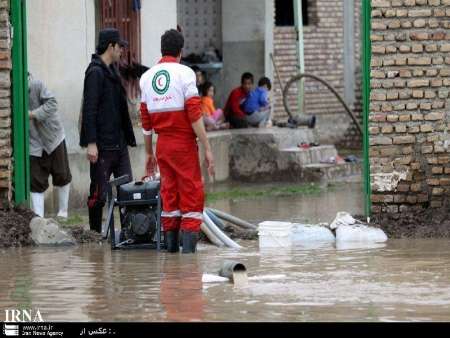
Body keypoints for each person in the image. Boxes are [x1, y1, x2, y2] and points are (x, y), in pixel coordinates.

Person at [140, 29, 215, 254]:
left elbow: (145, 122)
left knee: (169, 197)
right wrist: (207, 147)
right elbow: (194, 114)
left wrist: (148, 154)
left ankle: (172, 261)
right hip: (183, 145)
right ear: (180, 52)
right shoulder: (186, 73)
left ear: (162, 50)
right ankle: (188, 262)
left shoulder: (146, 77)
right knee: (192, 196)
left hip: (162, 145)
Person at [79, 28, 137, 233]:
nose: (122, 50)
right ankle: (95, 234)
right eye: (119, 46)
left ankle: (130, 233)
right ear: (110, 46)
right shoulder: (94, 72)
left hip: (119, 144)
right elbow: (89, 109)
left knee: (127, 191)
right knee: (99, 194)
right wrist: (91, 143)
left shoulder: (113, 71)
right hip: (102, 146)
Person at [28, 73, 72, 219]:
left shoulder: (37, 85)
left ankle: (63, 212)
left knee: (62, 173)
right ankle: (38, 216)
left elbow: (53, 103)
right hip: (33, 141)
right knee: (35, 178)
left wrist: (34, 114)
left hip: (53, 136)